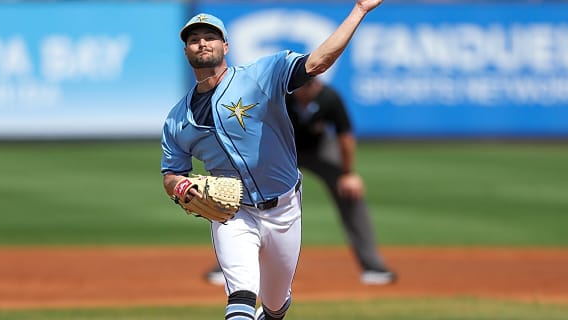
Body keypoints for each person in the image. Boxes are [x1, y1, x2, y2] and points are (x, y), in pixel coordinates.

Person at [161, 2, 383, 320]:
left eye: (210, 36)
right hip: (232, 214)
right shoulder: (177, 120)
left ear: (225, 46)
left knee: (276, 307)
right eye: (194, 38)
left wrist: (359, 11)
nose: (202, 42)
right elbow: (171, 172)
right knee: (241, 296)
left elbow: (319, 62)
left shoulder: (262, 75)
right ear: (186, 50)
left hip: (284, 210)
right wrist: (180, 186)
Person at [205, 78, 396, 286]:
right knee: (251, 196)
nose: (308, 89)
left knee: (351, 192)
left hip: (318, 149)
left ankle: (373, 266)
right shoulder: (280, 98)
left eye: (312, 84)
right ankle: (229, 265)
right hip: (280, 150)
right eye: (303, 85)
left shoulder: (329, 98)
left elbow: (345, 136)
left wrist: (348, 173)